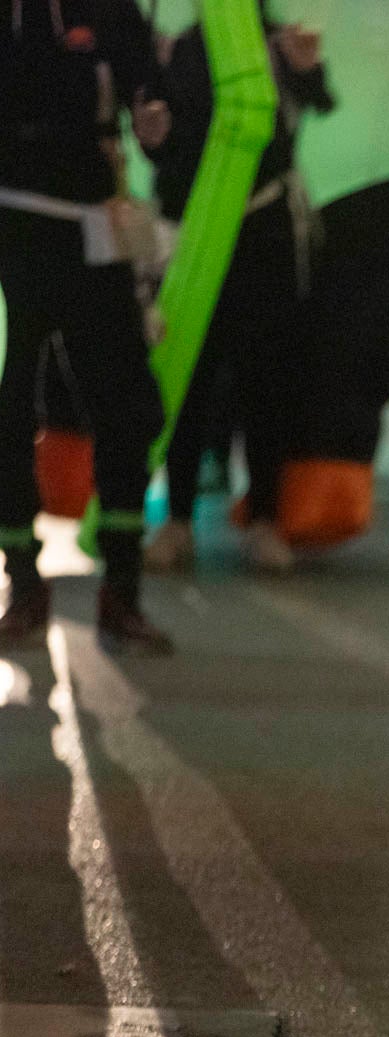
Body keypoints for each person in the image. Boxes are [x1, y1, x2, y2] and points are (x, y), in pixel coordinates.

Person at [0, 0, 175, 653]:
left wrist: (153, 115)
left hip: (94, 228)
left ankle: (122, 593)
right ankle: (23, 581)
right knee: (8, 408)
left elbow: (146, 93)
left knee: (127, 405)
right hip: (13, 224)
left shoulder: (111, 9)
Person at [142, 16, 334, 575]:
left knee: (266, 379)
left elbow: (320, 100)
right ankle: (175, 522)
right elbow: (160, 141)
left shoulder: (274, 42)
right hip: (194, 236)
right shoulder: (178, 50)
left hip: (262, 234)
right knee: (185, 377)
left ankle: (265, 520)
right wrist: (151, 135)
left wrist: (307, 70)